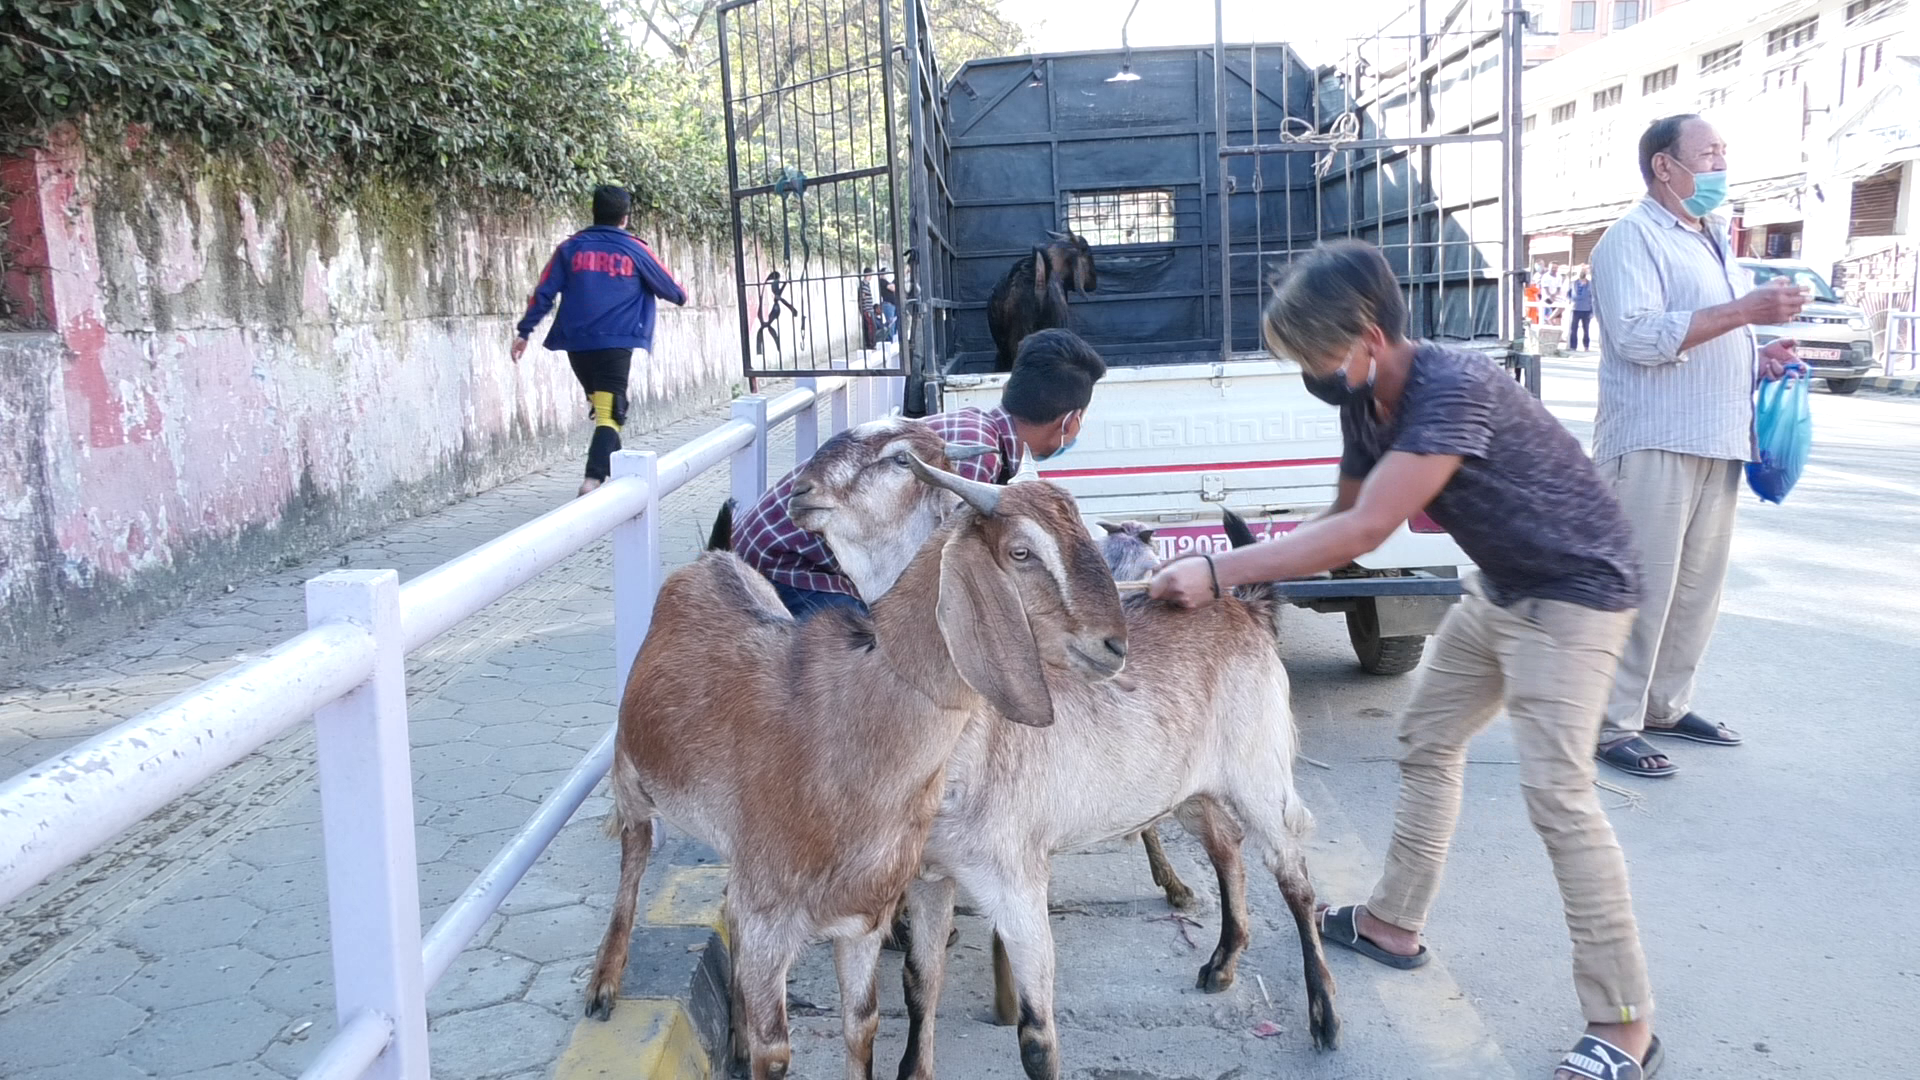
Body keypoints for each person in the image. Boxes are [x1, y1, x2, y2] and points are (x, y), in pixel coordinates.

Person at [1149, 240, 1662, 1080]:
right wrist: (1250, 573)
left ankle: (1624, 1022)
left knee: (1560, 800)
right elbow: (1341, 515)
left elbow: (1363, 533)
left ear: (1368, 337)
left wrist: (1217, 572)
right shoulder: (1366, 403)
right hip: (1501, 588)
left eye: (1314, 353)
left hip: (1576, 593)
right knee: (1428, 739)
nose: (1310, 371)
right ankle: (1393, 921)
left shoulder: (1450, 389)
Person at [1587, 114, 1806, 778]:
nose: (1720, 165)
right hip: (1654, 440)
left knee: (1696, 592)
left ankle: (1664, 706)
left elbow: (1706, 326)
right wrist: (1746, 314)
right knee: (1644, 588)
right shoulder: (1629, 240)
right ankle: (1610, 722)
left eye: (1723, 152)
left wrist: (1756, 354)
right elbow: (1640, 337)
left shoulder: (1709, 236)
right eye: (1708, 153)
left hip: (1717, 436)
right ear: (1664, 165)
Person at [735, 327, 1105, 619]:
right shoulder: (976, 461)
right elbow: (928, 573)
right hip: (793, 557)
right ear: (1070, 421)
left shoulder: (976, 429)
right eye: (1082, 421)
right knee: (863, 672)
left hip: (777, 538)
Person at [513, 185, 688, 497]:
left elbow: (543, 293)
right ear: (625, 217)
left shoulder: (570, 248)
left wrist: (524, 332)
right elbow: (674, 292)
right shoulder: (635, 249)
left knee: (606, 408)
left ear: (593, 211)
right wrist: (677, 290)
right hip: (615, 344)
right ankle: (592, 481)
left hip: (577, 346)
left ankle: (614, 471)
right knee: (609, 414)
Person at [1569, 267, 1596, 351]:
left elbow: (1593, 297)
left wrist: (1592, 311)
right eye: (1581, 271)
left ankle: (1586, 346)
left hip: (1586, 309)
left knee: (1586, 329)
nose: (1582, 273)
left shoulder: (1590, 284)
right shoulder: (1574, 283)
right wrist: (1572, 301)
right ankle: (1573, 346)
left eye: (1583, 271)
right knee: (1573, 329)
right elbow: (1569, 294)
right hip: (1576, 309)